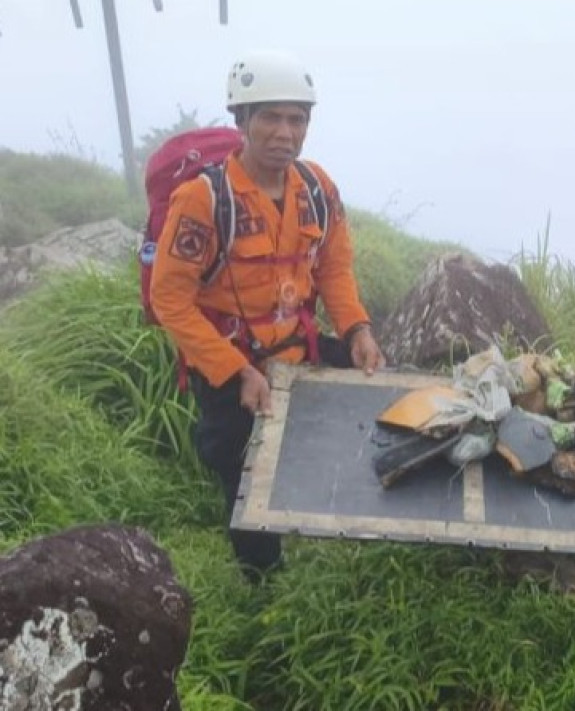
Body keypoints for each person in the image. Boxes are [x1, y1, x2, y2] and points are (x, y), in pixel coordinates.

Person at [150, 49, 385, 581]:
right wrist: (237, 371)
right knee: (242, 475)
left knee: (355, 421)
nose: (286, 132)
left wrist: (356, 329)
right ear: (241, 121)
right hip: (230, 367)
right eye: (271, 117)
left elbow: (334, 269)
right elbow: (171, 300)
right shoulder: (204, 201)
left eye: (297, 118)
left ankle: (334, 534)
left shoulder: (319, 190)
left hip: (297, 350)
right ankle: (261, 583)